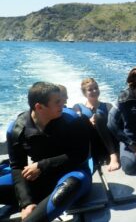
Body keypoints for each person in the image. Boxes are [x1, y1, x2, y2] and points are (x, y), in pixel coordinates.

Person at [3, 82, 92, 222]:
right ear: (39, 107)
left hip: (72, 174)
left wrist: (42, 165)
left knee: (70, 186)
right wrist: (26, 203)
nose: (63, 104)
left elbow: (81, 155)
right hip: (40, 180)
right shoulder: (16, 129)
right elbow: (17, 167)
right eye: (57, 102)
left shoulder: (73, 121)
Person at [73, 78, 120, 172]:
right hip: (91, 144)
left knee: (99, 118)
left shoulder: (108, 106)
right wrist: (88, 122)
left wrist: (100, 121)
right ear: (84, 93)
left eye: (96, 88)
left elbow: (115, 126)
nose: (94, 91)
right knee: (82, 119)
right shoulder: (78, 107)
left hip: (108, 144)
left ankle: (113, 156)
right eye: (90, 90)